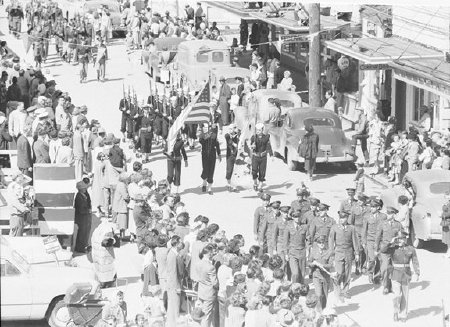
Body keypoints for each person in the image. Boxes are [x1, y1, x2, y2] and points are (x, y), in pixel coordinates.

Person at [381, 231, 420, 322]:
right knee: (397, 295)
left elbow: (415, 261)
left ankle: (403, 314)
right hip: (395, 274)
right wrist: (391, 242)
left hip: (406, 275)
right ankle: (395, 311)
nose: (401, 240)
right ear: (397, 239)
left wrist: (417, 273)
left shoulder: (410, 249)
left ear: (406, 239)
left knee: (405, 296)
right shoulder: (393, 248)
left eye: (403, 238)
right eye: (399, 238)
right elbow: (383, 250)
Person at [329, 210, 358, 303]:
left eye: (344, 218)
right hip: (338, 252)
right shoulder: (334, 228)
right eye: (341, 218)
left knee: (348, 273)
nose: (342, 220)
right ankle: (337, 290)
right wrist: (332, 254)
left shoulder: (351, 228)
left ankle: (345, 290)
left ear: (347, 218)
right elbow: (331, 241)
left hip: (348, 252)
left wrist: (357, 253)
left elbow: (355, 241)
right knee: (339, 272)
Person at [376, 206, 403, 294]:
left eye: (391, 213)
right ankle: (385, 286)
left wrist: (399, 241)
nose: (389, 215)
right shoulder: (382, 224)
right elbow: (378, 237)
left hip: (395, 249)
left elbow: (402, 236)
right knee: (385, 268)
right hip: (384, 249)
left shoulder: (398, 224)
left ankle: (391, 286)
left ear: (394, 214)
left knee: (393, 269)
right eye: (388, 213)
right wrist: (376, 249)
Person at [308, 235, 334, 311]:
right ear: (317, 243)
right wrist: (313, 264)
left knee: (325, 296)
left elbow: (331, 264)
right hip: (316, 276)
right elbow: (309, 262)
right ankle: (318, 310)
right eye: (319, 243)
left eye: (323, 242)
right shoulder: (313, 251)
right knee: (318, 295)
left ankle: (323, 309)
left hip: (325, 277)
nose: (321, 244)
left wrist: (322, 265)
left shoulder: (329, 252)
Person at [197, 243, 218, 327]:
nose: (212, 254)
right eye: (212, 252)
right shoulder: (211, 267)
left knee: (202, 313)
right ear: (209, 253)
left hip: (201, 291)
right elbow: (215, 283)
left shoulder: (198, 263)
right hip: (209, 293)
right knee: (207, 316)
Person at [284, 213, 309, 284]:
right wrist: (286, 253)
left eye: (298, 217)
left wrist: (308, 250)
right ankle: (294, 288)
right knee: (295, 273)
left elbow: (308, 239)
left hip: (302, 252)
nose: (297, 218)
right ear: (292, 217)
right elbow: (285, 242)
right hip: (292, 253)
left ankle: (301, 290)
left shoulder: (305, 227)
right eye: (295, 217)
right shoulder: (288, 227)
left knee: (302, 274)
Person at [199, 123, 221, 195]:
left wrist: (219, 154)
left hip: (212, 155)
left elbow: (217, 145)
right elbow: (201, 141)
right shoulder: (204, 135)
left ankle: (209, 188)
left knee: (211, 170)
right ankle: (204, 183)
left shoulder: (214, 136)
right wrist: (206, 137)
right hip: (205, 155)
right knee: (205, 170)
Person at [250, 123, 273, 192]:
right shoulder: (253, 137)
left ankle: (260, 186)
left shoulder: (266, 137)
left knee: (262, 172)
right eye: (257, 130)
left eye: (259, 130)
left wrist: (271, 155)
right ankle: (255, 183)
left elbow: (268, 146)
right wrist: (252, 146)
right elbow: (251, 145)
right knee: (254, 171)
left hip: (263, 157)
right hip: (255, 156)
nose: (258, 132)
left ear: (262, 130)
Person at [7, 172, 31, 237]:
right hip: (16, 214)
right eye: (20, 177)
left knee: (18, 234)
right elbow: (14, 201)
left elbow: (29, 179)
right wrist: (24, 209)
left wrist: (21, 175)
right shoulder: (14, 185)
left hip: (19, 214)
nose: (22, 179)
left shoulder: (17, 185)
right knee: (15, 235)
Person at [166, 235, 182, 326]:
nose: (181, 244)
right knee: (174, 305)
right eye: (180, 242)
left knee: (173, 304)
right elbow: (173, 273)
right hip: (174, 284)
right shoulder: (172, 255)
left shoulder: (174, 253)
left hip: (173, 283)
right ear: (176, 244)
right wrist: (177, 286)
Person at [74, 180, 92, 253]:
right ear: (80, 189)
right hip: (82, 218)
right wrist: (88, 211)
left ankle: (83, 246)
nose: (85, 189)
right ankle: (80, 248)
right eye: (84, 188)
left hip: (84, 218)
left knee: (84, 233)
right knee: (82, 233)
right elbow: (81, 209)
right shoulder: (79, 197)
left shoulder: (83, 195)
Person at [224, 123, 239, 192]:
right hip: (229, 155)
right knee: (229, 170)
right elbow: (229, 141)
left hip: (237, 155)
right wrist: (234, 144)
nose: (230, 130)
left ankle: (234, 186)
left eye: (231, 128)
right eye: (229, 128)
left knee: (235, 170)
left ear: (234, 129)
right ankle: (228, 183)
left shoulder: (238, 135)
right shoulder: (227, 135)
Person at [441, 191, 450, 258]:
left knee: (448, 239)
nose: (445, 197)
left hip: (448, 222)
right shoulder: (447, 203)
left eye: (446, 195)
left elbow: (448, 213)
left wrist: (443, 215)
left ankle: (448, 253)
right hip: (446, 222)